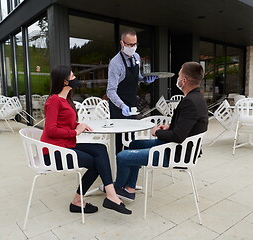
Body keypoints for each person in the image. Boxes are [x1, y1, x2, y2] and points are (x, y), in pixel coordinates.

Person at [40, 65, 131, 214]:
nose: (75, 78)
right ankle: (100, 198)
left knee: (100, 148)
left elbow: (63, 123)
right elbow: (50, 129)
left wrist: (78, 125)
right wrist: (75, 132)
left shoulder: (65, 99)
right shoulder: (54, 101)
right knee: (97, 163)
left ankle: (109, 195)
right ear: (64, 82)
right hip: (53, 152)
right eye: (72, 76)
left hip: (65, 145)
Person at [114, 62, 209, 201]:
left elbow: (177, 136)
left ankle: (116, 190)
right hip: (176, 147)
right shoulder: (197, 98)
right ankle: (130, 188)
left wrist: (156, 132)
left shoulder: (190, 102)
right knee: (133, 144)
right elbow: (187, 126)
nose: (177, 78)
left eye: (179, 75)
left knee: (122, 156)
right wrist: (169, 126)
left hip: (175, 153)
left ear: (184, 80)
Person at [107, 28, 158, 154]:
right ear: (122, 43)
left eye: (134, 44)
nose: (132, 47)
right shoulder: (115, 63)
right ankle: (118, 163)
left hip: (131, 102)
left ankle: (130, 160)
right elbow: (110, 91)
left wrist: (146, 79)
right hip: (118, 105)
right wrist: (122, 105)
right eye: (129, 44)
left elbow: (136, 77)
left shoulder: (136, 56)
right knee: (119, 138)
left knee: (131, 135)